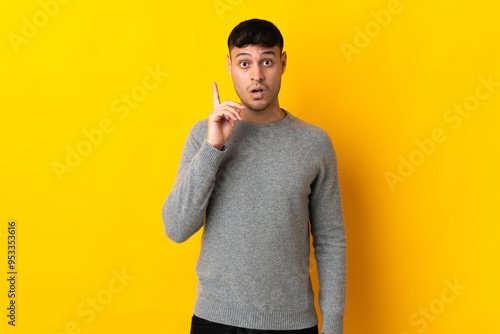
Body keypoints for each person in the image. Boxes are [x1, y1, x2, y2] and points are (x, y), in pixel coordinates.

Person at [162, 18, 346, 334]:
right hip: (215, 321)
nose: (257, 75)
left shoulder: (314, 143)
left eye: (267, 61)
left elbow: (330, 240)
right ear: (230, 67)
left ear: (282, 63)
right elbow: (176, 228)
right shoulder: (203, 136)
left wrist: (333, 327)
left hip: (291, 323)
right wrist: (212, 148)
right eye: (244, 63)